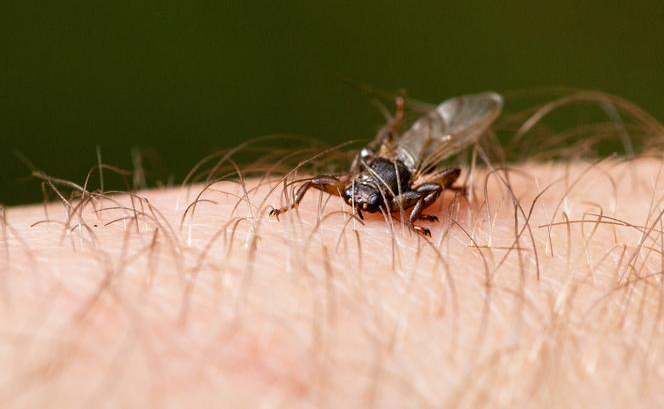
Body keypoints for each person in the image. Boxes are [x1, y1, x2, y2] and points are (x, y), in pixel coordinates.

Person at [2, 155, 663, 407]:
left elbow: (428, 189)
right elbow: (336, 182)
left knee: (449, 187)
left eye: (369, 206)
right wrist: (294, 206)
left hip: (417, 176)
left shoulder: (407, 192)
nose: (356, 211)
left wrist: (414, 219)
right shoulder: (348, 186)